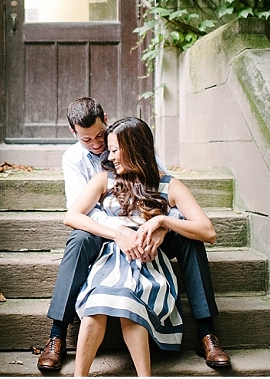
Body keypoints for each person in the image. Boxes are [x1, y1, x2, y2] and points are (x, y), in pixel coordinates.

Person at [36, 98, 231, 372]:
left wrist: (161, 224)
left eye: (102, 137)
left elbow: (163, 192)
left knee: (191, 238)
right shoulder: (80, 163)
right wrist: (121, 232)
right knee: (78, 240)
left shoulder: (136, 148)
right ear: (74, 134)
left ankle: (206, 332)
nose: (98, 146)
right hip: (105, 232)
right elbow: (76, 214)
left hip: (151, 231)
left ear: (107, 122)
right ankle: (57, 335)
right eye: (86, 140)